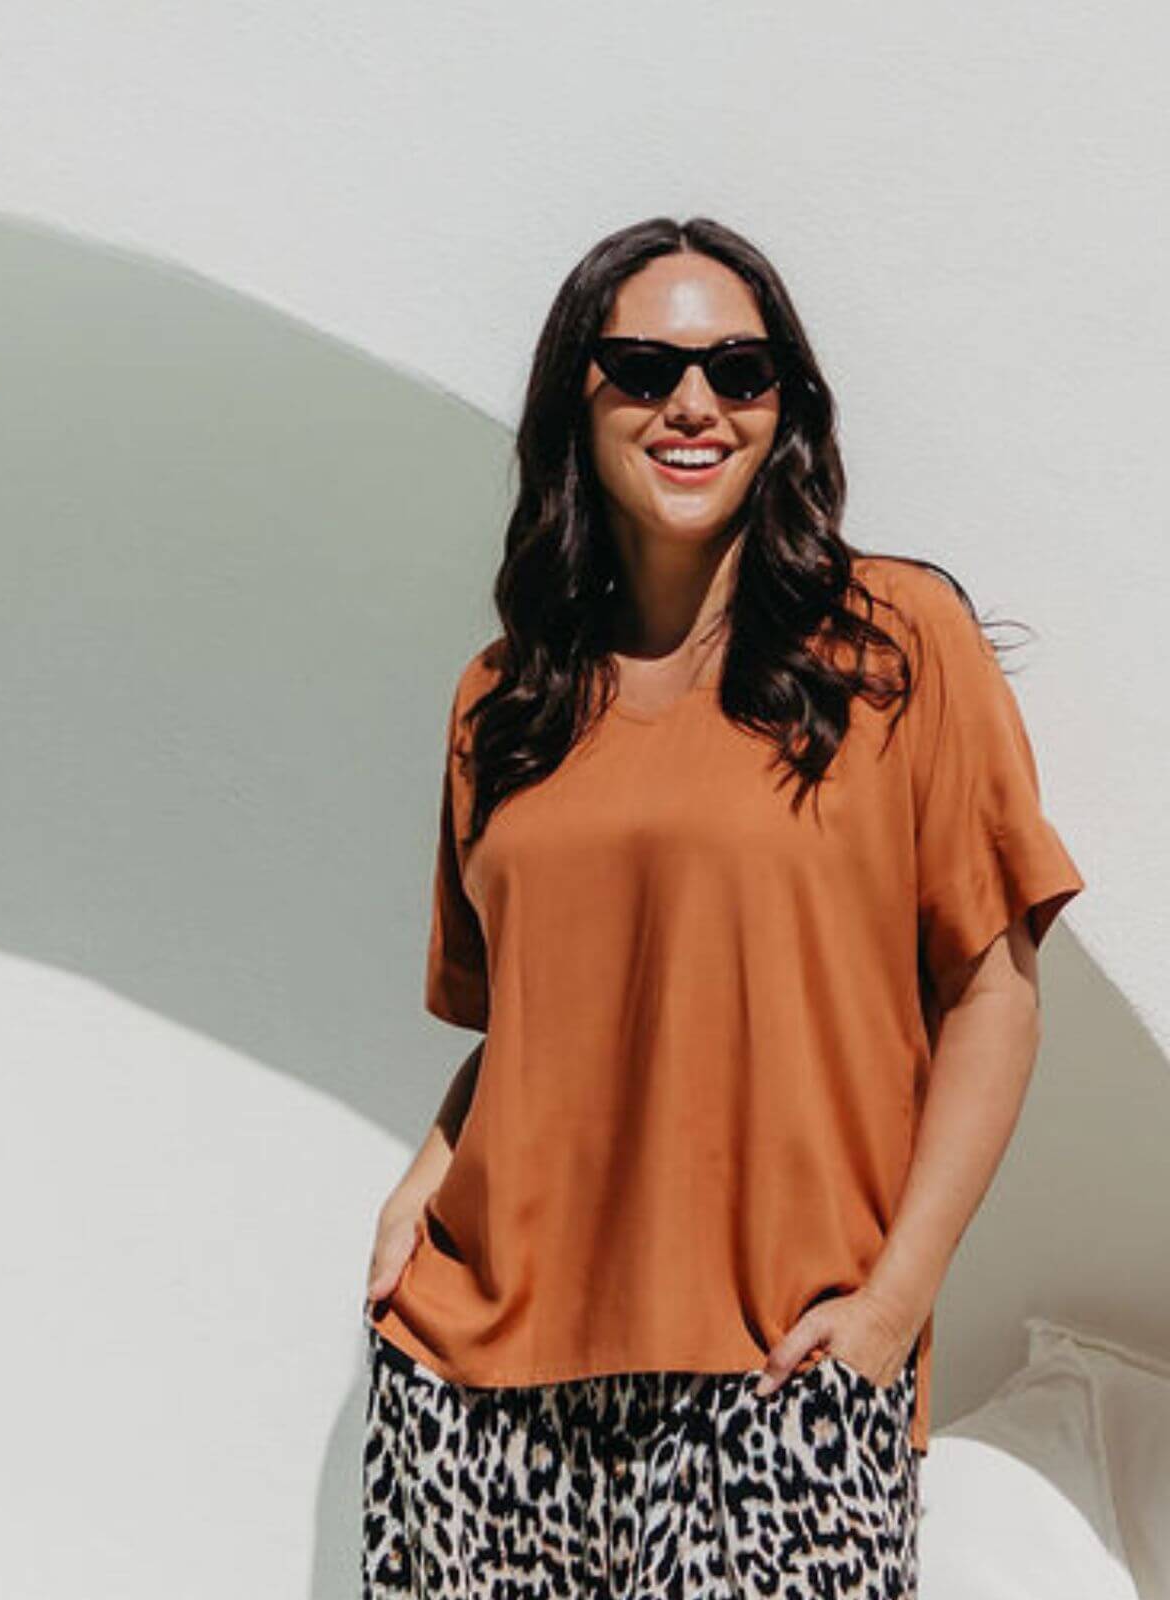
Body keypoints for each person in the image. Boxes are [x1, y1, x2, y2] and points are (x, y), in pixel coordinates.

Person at [360, 216, 1086, 1598]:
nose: (693, 404)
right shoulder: (502, 701)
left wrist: (895, 1304)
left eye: (739, 372)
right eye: (643, 366)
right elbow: (533, 1030)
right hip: (478, 1374)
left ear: (786, 409)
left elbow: (995, 997)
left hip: (780, 1375)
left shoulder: (893, 647)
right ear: (579, 398)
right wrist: (426, 1167)